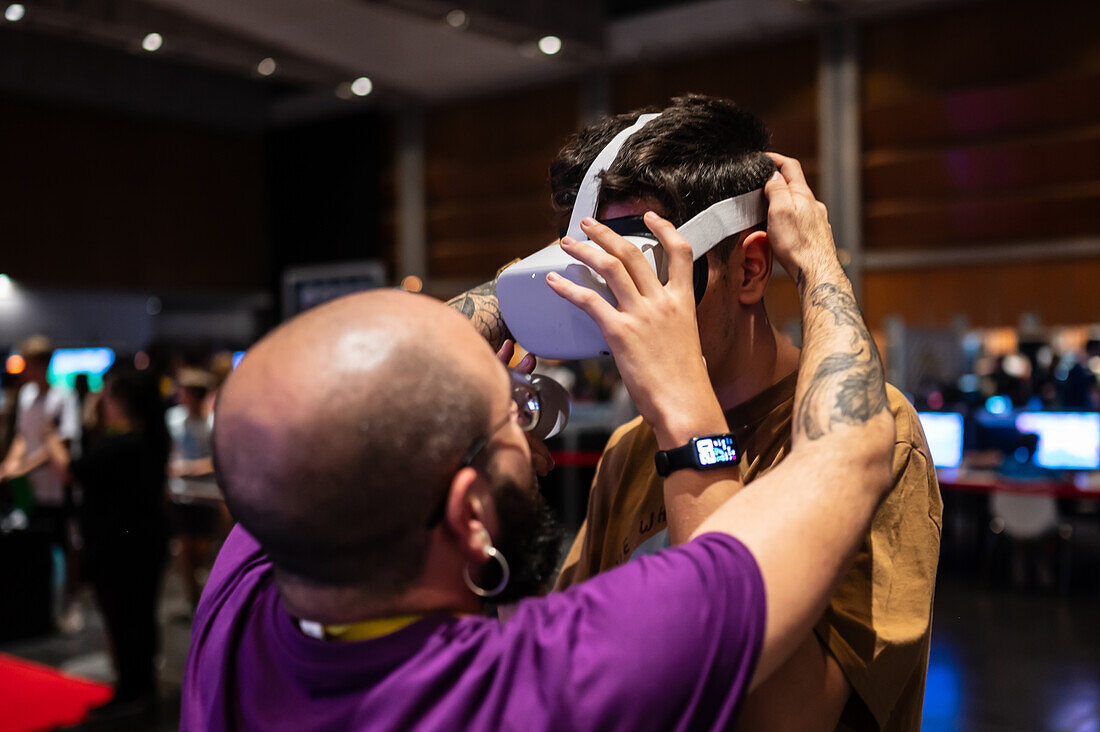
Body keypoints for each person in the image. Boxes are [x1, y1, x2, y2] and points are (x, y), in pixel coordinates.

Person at [181, 159, 895, 730]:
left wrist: (538, 283)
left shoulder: (240, 600)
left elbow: (352, 395)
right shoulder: (550, 677)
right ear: (467, 514)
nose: (533, 424)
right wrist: (819, 270)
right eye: (512, 416)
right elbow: (850, 452)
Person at [450, 97, 942, 732]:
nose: (621, 310)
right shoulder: (632, 446)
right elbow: (567, 680)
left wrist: (687, 422)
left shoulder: (870, 432)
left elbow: (776, 717)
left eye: (647, 270)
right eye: (604, 274)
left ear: (750, 268)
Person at [43, 366, 171, 714]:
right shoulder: (153, 439)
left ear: (120, 401)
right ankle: (139, 687)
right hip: (145, 541)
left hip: (118, 546)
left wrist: (51, 437)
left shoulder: (122, 445)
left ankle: (131, 689)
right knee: (141, 617)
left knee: (124, 618)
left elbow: (72, 471)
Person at [166, 367, 220, 612]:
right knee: (185, 548)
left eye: (184, 392)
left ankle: (200, 596)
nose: (179, 396)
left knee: (203, 548)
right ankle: (192, 600)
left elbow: (218, 460)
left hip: (208, 496)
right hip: (181, 494)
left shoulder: (212, 424)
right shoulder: (173, 419)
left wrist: (189, 469)